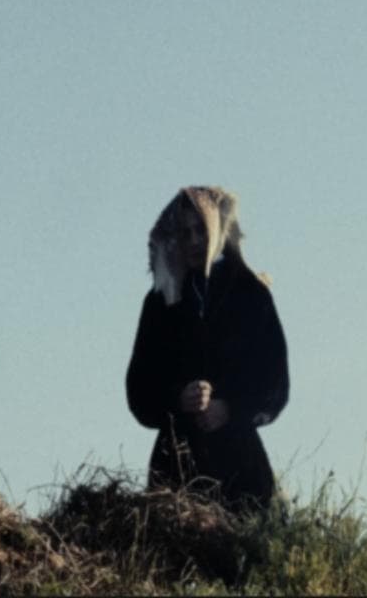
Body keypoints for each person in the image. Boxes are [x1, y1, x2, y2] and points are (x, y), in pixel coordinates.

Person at [125, 186, 289, 510]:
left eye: (201, 229)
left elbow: (275, 385)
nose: (195, 240)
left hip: (242, 475)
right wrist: (177, 398)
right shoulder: (160, 303)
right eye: (185, 232)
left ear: (217, 228)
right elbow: (138, 392)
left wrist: (229, 408)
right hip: (175, 476)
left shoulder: (251, 296)